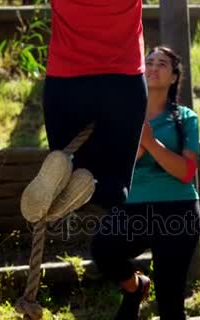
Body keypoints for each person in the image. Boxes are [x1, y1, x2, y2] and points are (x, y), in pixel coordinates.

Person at [91, 46, 200, 320]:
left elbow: (186, 171)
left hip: (179, 209)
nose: (153, 67)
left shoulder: (186, 119)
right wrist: (138, 150)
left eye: (162, 64)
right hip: (134, 207)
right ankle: (135, 287)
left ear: (174, 76)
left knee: (171, 302)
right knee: (103, 248)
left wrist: (151, 143)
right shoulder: (122, 118)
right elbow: (112, 166)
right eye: (148, 62)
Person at [41, 0, 147, 210]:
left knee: (64, 173)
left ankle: (59, 188)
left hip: (66, 85)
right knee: (117, 190)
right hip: (123, 85)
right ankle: (98, 189)